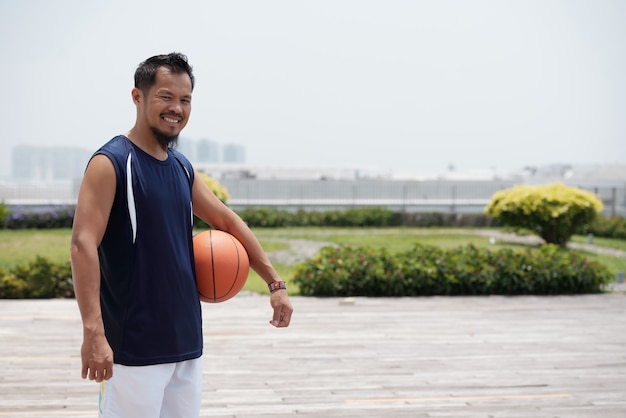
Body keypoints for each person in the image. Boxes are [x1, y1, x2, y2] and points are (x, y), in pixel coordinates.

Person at [70, 52, 293, 417]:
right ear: (138, 97)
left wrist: (274, 283)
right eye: (165, 96)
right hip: (133, 349)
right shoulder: (111, 162)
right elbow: (82, 246)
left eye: (185, 100)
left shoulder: (181, 167)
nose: (176, 108)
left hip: (186, 345)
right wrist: (94, 333)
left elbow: (228, 223)